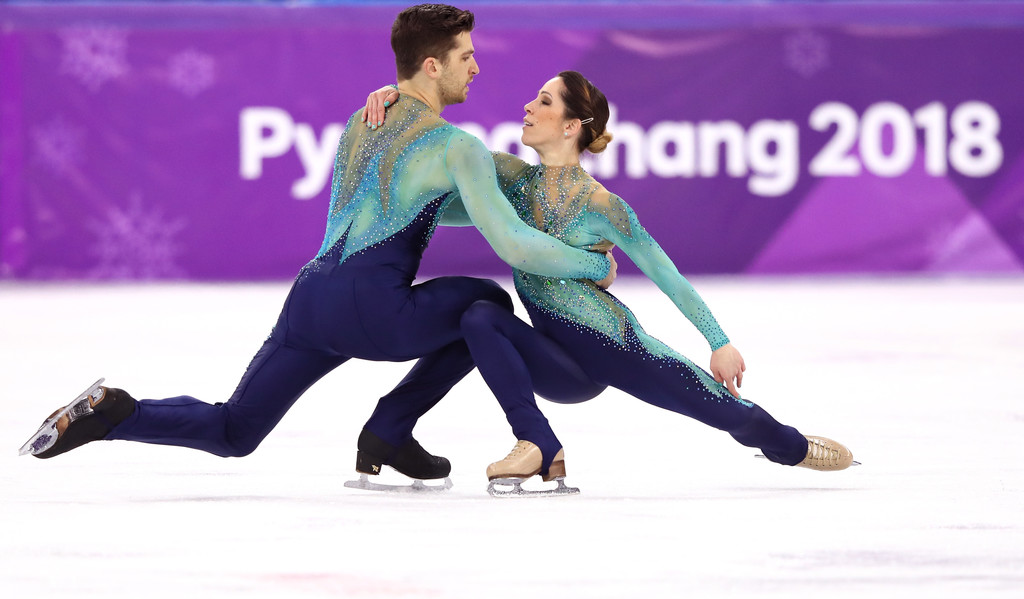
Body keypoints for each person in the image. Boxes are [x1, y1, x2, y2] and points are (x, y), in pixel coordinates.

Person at [18, 5, 614, 489]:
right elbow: (509, 238)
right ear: (433, 66)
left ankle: (117, 412)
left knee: (235, 430)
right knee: (484, 304)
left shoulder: (364, 119)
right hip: (376, 310)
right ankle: (393, 427)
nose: (476, 68)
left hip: (310, 302)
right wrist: (594, 261)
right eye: (466, 57)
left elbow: (432, 205)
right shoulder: (457, 147)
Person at [365, 71, 853, 493]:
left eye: (545, 102)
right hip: (558, 364)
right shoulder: (513, 182)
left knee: (732, 415)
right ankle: (536, 442)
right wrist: (400, 99)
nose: (529, 107)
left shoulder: (603, 205)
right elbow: (442, 153)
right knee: (479, 316)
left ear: (572, 126)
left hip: (618, 347)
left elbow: (667, 274)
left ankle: (791, 445)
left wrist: (719, 340)